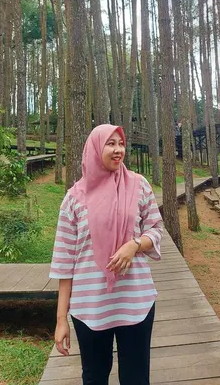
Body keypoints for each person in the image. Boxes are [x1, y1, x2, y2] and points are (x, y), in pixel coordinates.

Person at [50, 124, 163, 385]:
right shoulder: (74, 198)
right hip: (90, 306)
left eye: (121, 143)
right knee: (94, 377)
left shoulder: (139, 185)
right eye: (110, 144)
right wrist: (60, 321)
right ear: (94, 148)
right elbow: (64, 263)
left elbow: (156, 229)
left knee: (136, 379)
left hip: (135, 302)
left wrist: (134, 244)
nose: (118, 150)